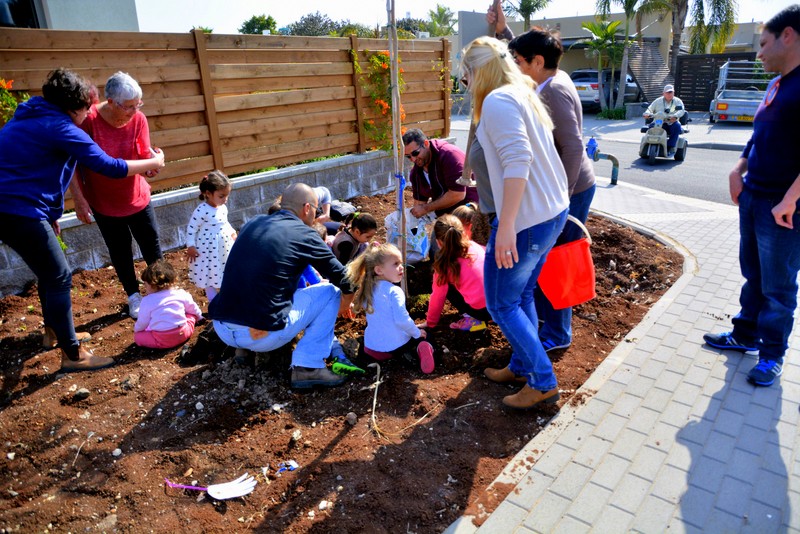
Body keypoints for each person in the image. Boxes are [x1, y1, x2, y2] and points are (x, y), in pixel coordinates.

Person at [0, 68, 165, 372]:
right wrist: (155, 161)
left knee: (49, 273)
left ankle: (53, 333)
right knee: (61, 276)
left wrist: (49, 215)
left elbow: (34, 170)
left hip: (16, 207)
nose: (90, 113)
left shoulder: (31, 115)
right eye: (87, 107)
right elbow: (108, 166)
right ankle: (73, 355)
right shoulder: (60, 127)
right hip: (15, 209)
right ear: (74, 107)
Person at [461, 36, 570, 409]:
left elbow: (518, 161)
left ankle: (542, 382)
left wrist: (505, 227)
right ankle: (523, 364)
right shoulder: (521, 92)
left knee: (501, 304)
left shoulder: (498, 100)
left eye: (466, 75)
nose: (466, 83)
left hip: (527, 221)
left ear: (479, 72)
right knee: (521, 295)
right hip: (549, 214)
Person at [703, 5, 800, 388]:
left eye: (763, 44)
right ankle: (744, 336)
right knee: (753, 275)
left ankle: (772, 355)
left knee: (778, 286)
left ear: (788, 36)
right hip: (755, 197)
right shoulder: (778, 83)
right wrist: (737, 168)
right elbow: (758, 135)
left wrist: (791, 199)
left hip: (782, 209)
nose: (758, 53)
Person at [500, 21, 597, 353]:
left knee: (555, 261)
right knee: (546, 258)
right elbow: (535, 49)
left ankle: (557, 334)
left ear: (537, 63)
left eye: (518, 61)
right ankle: (547, 322)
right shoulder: (552, 76)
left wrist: (562, 199)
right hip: (562, 188)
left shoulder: (553, 92)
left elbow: (573, 147)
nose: (514, 66)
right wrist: (505, 31)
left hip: (570, 189)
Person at [209, 183, 360, 389]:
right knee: (331, 292)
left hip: (223, 327)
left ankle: (243, 351)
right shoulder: (304, 233)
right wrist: (345, 304)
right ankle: (308, 367)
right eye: (316, 211)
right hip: (261, 337)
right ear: (307, 208)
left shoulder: (253, 223)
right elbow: (344, 279)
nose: (315, 216)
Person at [69, 71, 163, 320]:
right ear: (110, 102)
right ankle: (134, 297)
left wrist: (151, 167)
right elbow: (74, 164)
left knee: (151, 246)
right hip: (105, 203)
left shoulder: (139, 119)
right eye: (129, 107)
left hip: (138, 197)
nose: (135, 111)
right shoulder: (88, 122)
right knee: (120, 251)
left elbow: (143, 155)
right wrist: (79, 199)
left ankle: (162, 291)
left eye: (137, 105)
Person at [346, 243, 435, 374]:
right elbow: (401, 320)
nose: (401, 268)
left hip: (373, 348)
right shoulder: (394, 291)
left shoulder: (367, 289)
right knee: (426, 335)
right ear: (379, 270)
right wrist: (416, 332)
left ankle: (369, 359)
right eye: (395, 264)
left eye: (401, 263)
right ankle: (421, 347)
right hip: (396, 345)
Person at [418, 215, 491, 333]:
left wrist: (430, 323)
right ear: (463, 232)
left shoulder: (444, 266)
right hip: (503, 304)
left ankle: (474, 319)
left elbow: (438, 297)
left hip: (482, 312)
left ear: (438, 242)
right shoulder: (475, 246)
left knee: (446, 287)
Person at [402, 128, 479, 218]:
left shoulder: (449, 155)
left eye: (415, 153)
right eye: (408, 156)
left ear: (426, 144)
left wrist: (426, 208)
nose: (413, 159)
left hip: (471, 212)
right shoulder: (416, 173)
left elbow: (458, 194)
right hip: (446, 219)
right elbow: (419, 205)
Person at [186, 170, 236, 303]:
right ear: (208, 193)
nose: (225, 199)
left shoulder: (222, 208)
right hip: (207, 249)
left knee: (224, 270)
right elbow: (192, 228)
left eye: (227, 196)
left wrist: (232, 232)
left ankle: (226, 300)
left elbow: (224, 222)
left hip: (223, 247)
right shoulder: (202, 210)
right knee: (209, 273)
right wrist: (190, 245)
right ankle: (214, 303)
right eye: (221, 196)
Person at [133, 259, 203, 349]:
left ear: (152, 285)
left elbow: (143, 322)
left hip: (161, 339)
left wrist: (137, 330)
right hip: (183, 334)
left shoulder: (147, 301)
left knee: (138, 337)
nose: (145, 289)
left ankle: (162, 342)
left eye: (145, 285)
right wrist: (200, 317)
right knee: (190, 315)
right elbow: (193, 308)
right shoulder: (180, 293)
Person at [643, 84, 686, 157]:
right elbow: (650, 108)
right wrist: (647, 113)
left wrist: (675, 116)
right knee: (651, 127)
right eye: (667, 92)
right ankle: (646, 145)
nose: (669, 94)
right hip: (658, 122)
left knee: (677, 126)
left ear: (673, 93)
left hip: (671, 122)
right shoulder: (658, 101)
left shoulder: (677, 101)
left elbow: (681, 110)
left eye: (671, 92)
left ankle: (671, 147)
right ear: (663, 93)